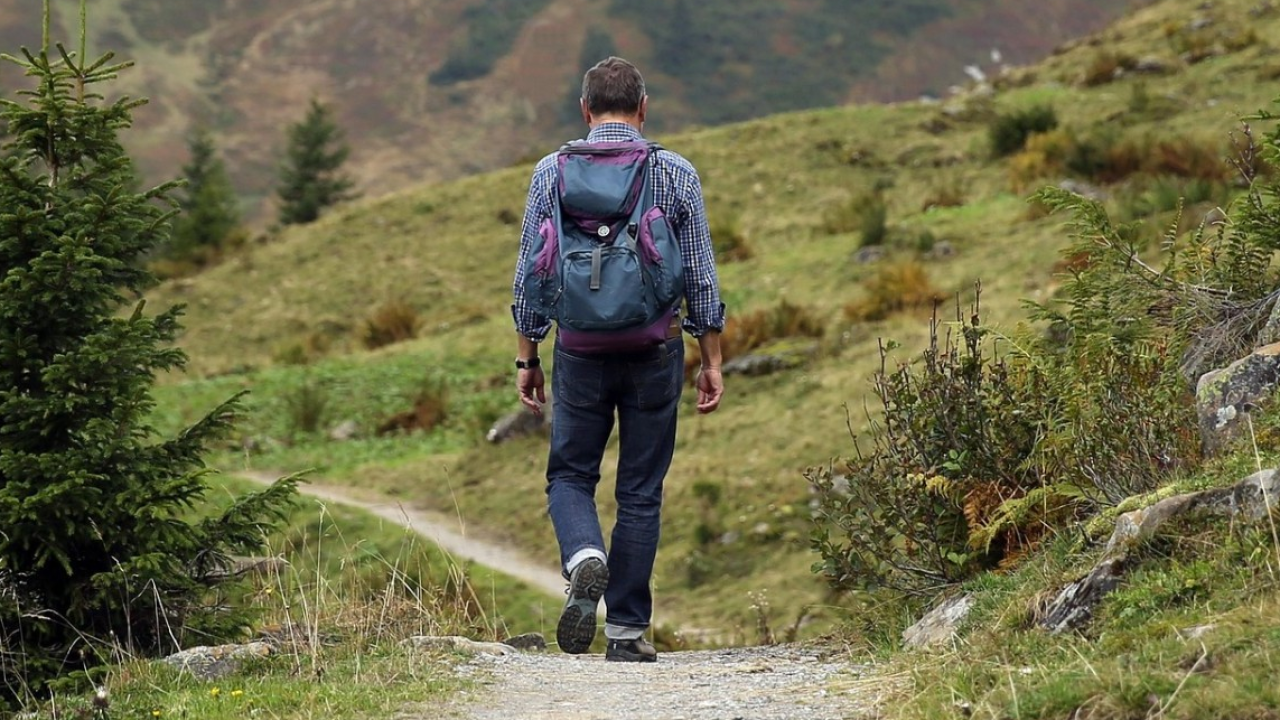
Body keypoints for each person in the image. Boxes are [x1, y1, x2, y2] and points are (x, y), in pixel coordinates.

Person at [510, 56, 725, 662]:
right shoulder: (675, 172)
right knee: (640, 490)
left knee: (570, 475)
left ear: (585, 109)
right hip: (655, 347)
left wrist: (528, 356)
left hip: (578, 349)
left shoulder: (551, 172)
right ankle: (627, 632)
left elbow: (531, 269)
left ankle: (584, 556)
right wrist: (710, 357)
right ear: (643, 106)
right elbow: (702, 275)